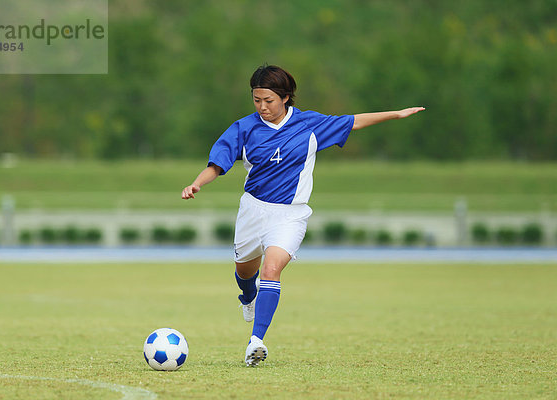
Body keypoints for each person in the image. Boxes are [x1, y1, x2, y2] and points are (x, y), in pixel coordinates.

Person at [181, 65, 424, 366]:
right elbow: (217, 164)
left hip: (290, 216)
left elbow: (353, 122)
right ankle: (247, 298)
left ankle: (256, 342)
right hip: (254, 211)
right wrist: (196, 183)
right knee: (245, 273)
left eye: (268, 100)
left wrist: (396, 114)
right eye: (256, 100)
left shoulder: (310, 124)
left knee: (272, 269)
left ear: (285, 98)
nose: (262, 107)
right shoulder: (244, 128)